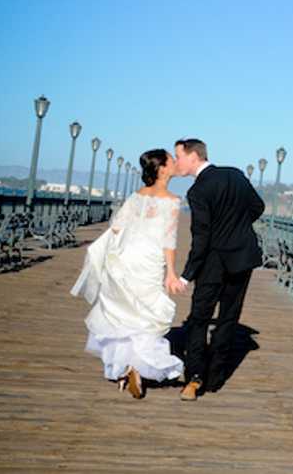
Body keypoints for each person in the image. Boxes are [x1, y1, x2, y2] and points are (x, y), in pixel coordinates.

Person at [70, 149, 184, 399]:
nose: (176, 163)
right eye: (171, 160)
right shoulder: (173, 200)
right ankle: (136, 367)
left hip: (125, 257)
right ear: (162, 169)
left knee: (124, 312)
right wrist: (171, 273)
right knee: (145, 313)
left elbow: (116, 227)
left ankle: (126, 366)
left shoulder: (136, 196)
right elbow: (169, 240)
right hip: (149, 260)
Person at [172, 138, 265, 401]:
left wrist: (187, 274)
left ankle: (195, 377)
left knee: (199, 318)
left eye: (179, 156)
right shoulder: (235, 175)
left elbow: (201, 237)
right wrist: (237, 228)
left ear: (193, 156)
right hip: (243, 257)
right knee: (228, 318)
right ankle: (215, 378)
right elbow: (258, 207)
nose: (177, 162)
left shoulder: (198, 191)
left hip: (213, 262)